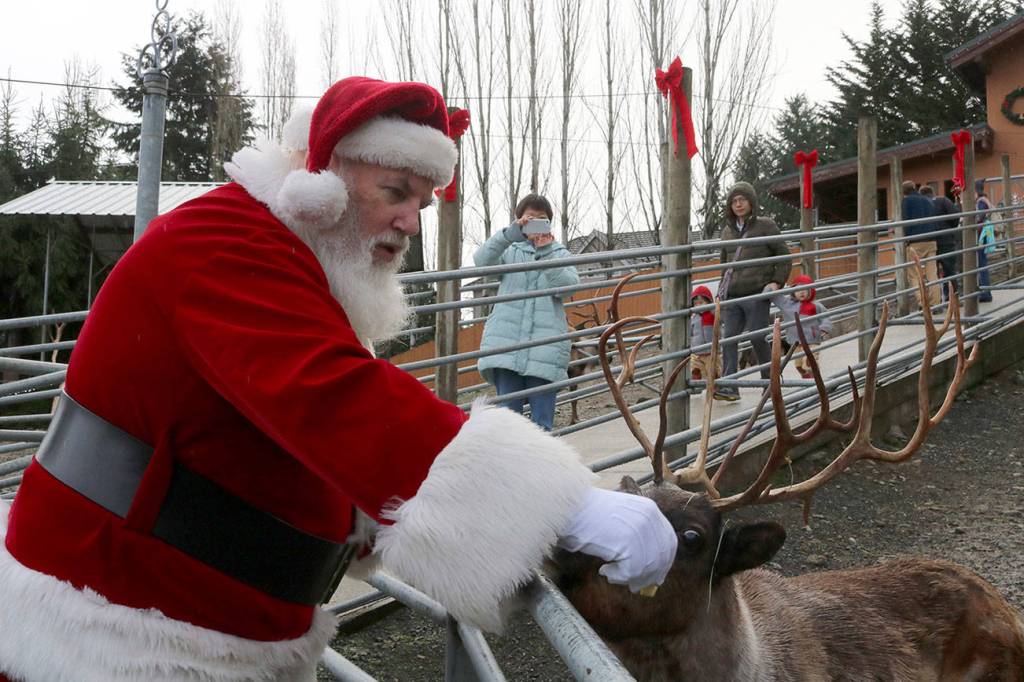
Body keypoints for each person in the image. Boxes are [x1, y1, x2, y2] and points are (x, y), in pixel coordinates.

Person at [0, 78, 677, 682]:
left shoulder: (293, 260)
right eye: (395, 192)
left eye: (422, 201)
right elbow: (330, 394)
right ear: (320, 179)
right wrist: (564, 507)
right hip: (114, 625)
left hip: (198, 622)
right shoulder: (219, 241)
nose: (410, 221)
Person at [474, 196, 578, 431]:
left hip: (545, 349)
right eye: (530, 218)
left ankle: (540, 457)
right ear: (519, 220)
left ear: (549, 224)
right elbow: (481, 262)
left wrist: (546, 251)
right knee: (508, 424)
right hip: (506, 346)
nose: (536, 223)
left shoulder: (559, 253)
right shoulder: (509, 251)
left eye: (542, 219)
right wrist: (509, 234)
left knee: (542, 424)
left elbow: (568, 287)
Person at [715, 181, 792, 402]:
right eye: (734, 201)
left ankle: (770, 381)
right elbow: (725, 265)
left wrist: (776, 282)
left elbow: (784, 257)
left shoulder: (766, 225)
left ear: (751, 202)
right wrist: (721, 290)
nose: (738, 204)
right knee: (728, 340)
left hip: (757, 293)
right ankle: (730, 387)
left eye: (742, 200)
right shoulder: (727, 232)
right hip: (732, 295)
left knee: (758, 337)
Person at [769, 274, 834, 379]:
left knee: (809, 364)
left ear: (810, 290)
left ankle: (815, 382)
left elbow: (826, 316)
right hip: (796, 343)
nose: (802, 292)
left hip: (812, 341)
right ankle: (807, 380)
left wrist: (824, 328)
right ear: (793, 291)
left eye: (805, 289)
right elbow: (776, 297)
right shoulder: (787, 305)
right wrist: (770, 287)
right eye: (798, 290)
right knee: (799, 366)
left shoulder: (815, 305)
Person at [900, 181, 941, 310]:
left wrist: (906, 238)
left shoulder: (906, 202)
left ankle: (923, 303)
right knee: (932, 273)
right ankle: (936, 303)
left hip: (915, 241)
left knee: (914, 274)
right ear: (914, 188)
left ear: (904, 192)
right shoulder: (927, 200)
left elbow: (905, 220)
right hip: (931, 239)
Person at [920, 185, 960, 302]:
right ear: (933, 192)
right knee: (950, 271)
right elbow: (955, 215)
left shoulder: (922, 204)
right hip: (946, 240)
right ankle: (952, 298)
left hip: (929, 242)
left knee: (932, 274)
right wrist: (951, 228)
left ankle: (936, 301)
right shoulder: (943, 200)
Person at [689, 285, 721, 384]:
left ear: (709, 302)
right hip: (697, 352)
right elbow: (690, 332)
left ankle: (715, 385)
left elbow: (720, 321)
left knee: (713, 371)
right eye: (696, 304)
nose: (699, 306)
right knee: (694, 368)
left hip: (712, 352)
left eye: (701, 302)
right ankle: (696, 379)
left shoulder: (712, 314)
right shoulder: (694, 318)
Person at [977, 184, 995, 303]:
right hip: (982, 236)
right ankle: (984, 292)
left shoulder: (981, 202)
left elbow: (979, 217)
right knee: (981, 265)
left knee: (981, 265)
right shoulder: (984, 201)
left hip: (980, 237)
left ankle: (985, 293)